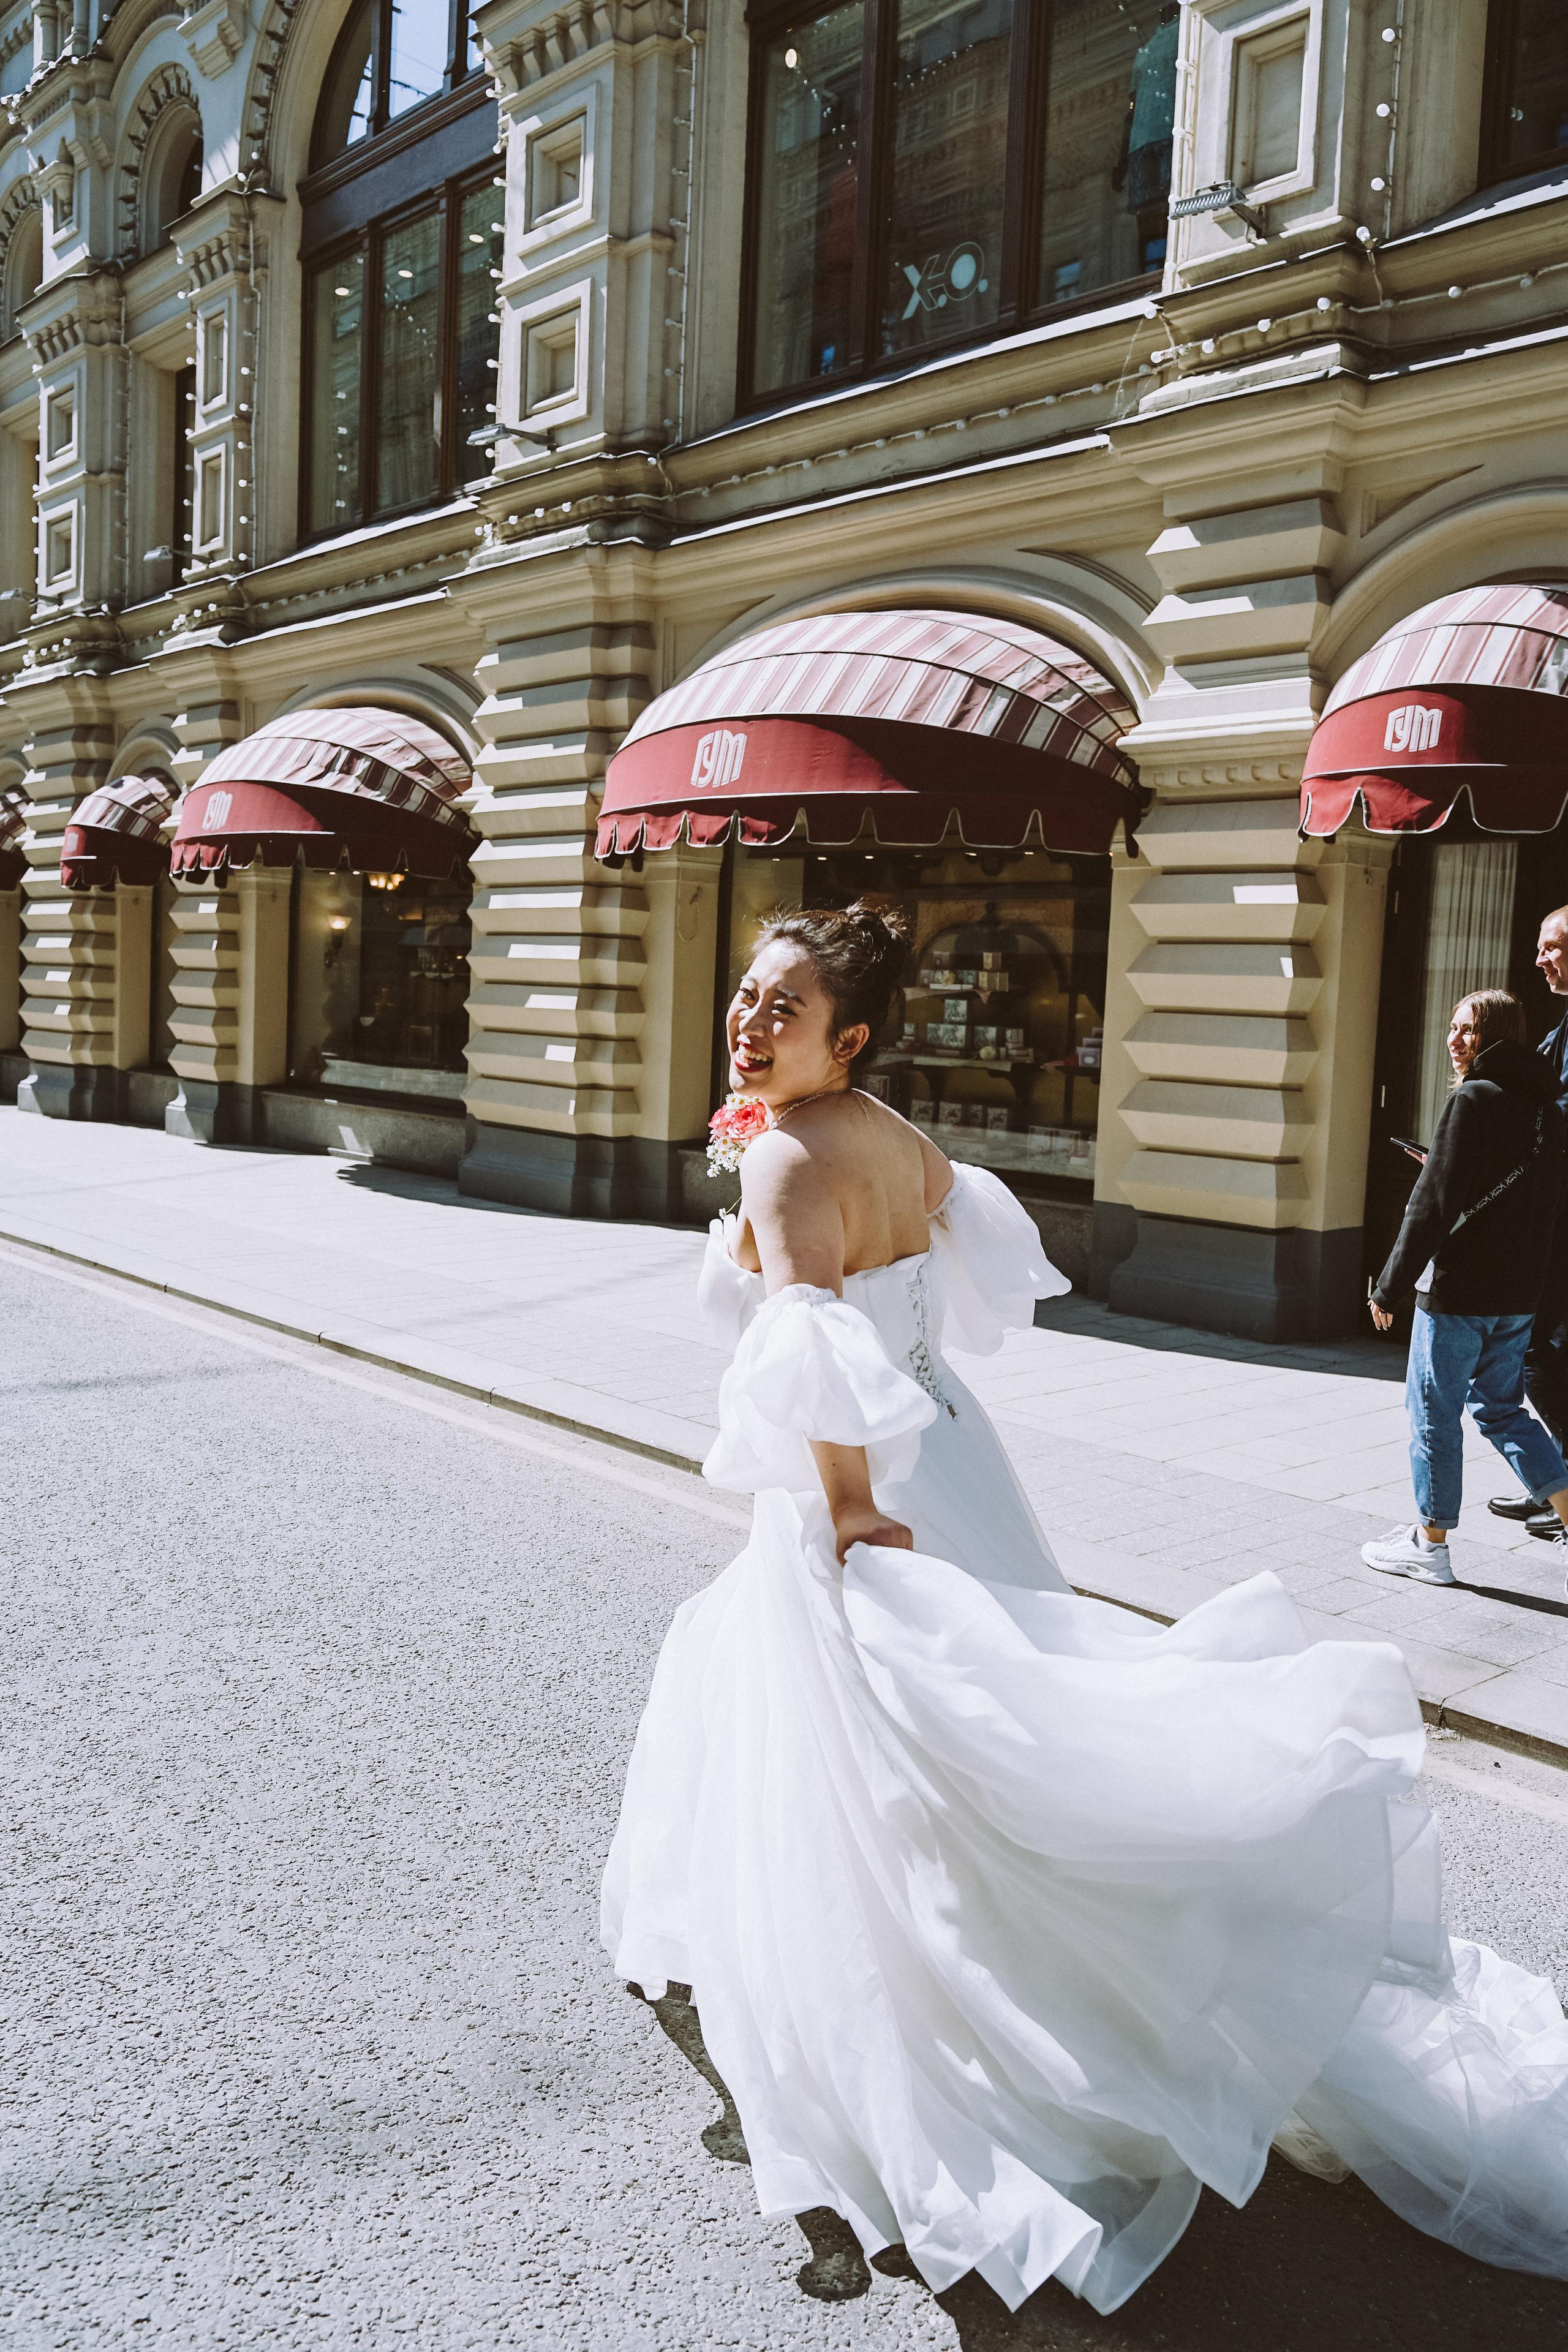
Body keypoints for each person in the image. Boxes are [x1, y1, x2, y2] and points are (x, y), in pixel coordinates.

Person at [602, 904, 1568, 2317]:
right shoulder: (877, 1128)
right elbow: (954, 1218)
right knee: (993, 1728)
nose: (749, 1022)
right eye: (747, 998)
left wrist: (851, 1502)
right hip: (955, 1451)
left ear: (845, 1035)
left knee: (882, 1758)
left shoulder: (788, 1155)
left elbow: (808, 1347)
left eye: (781, 1008)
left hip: (860, 1488)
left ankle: (964, 2012)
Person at [1363, 988, 1568, 1587]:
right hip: (1515, 1300)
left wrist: (1387, 1288)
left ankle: (1430, 1545)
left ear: (1495, 1037)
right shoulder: (1546, 1109)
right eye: (1452, 1028)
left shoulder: (1473, 1100)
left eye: (1468, 1030)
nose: (1455, 1040)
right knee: (1503, 1412)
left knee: (1432, 1415)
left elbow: (1431, 1208)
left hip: (1457, 1295)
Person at [1488, 903, 1568, 1533]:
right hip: (1550, 1219)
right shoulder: (1558, 1029)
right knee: (1540, 1353)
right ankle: (1554, 1486)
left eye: (1553, 946)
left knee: (1539, 1354)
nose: (1540, 958)